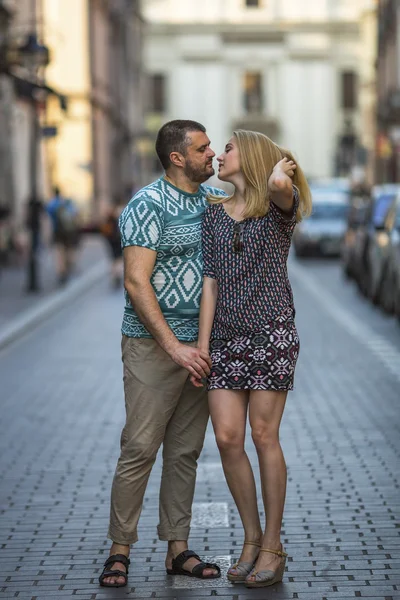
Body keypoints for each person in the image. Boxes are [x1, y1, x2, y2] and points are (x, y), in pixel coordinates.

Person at [99, 120, 226, 588]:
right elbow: (136, 281)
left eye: (212, 147)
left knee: (185, 452)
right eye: (203, 148)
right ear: (178, 157)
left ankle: (178, 549)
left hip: (200, 349)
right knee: (139, 447)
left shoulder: (211, 204)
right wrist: (173, 347)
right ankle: (119, 550)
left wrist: (199, 348)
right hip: (154, 347)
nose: (211, 154)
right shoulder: (147, 204)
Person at [192, 130, 312, 588]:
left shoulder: (279, 211)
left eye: (228, 148)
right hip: (224, 338)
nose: (220, 155)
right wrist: (203, 346)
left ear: (253, 157)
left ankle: (273, 545)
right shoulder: (213, 214)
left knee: (264, 435)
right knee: (226, 438)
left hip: (270, 334)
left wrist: (280, 176)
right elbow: (210, 283)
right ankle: (251, 536)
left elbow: (283, 194)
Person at [46, 187, 80, 285]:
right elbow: (75, 214)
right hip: (69, 232)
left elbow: (47, 219)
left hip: (57, 232)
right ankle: (68, 265)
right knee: (68, 250)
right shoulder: (66, 203)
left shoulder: (51, 204)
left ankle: (61, 271)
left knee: (59, 252)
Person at [99, 199, 125, 288]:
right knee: (117, 259)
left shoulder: (108, 218)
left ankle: (115, 275)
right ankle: (116, 276)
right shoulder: (117, 216)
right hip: (117, 241)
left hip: (111, 241)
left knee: (114, 259)